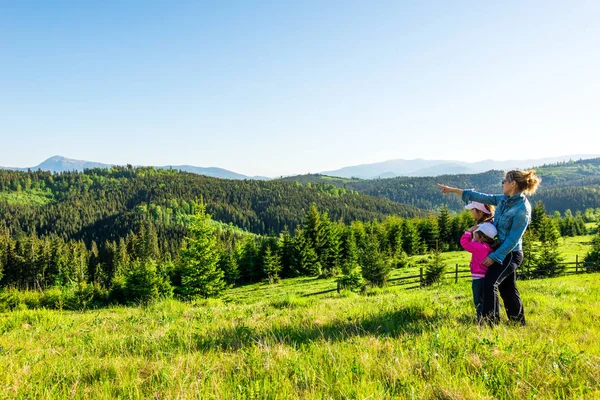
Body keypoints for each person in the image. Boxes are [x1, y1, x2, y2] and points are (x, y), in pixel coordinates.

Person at [437, 169, 541, 325]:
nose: (502, 184)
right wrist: (454, 190)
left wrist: (494, 256)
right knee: (508, 288)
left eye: (504, 181)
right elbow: (482, 197)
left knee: (490, 282)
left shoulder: (522, 209)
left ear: (512, 184)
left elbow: (513, 239)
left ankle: (489, 323)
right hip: (501, 251)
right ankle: (518, 323)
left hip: (511, 253)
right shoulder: (504, 199)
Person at [460, 222, 498, 321]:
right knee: (484, 298)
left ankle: (481, 319)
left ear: (481, 237)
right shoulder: (486, 246)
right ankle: (487, 317)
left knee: (478, 300)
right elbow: (474, 243)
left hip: (478, 278)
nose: (473, 233)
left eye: (475, 232)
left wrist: (468, 231)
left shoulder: (480, 247)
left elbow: (464, 243)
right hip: (485, 276)